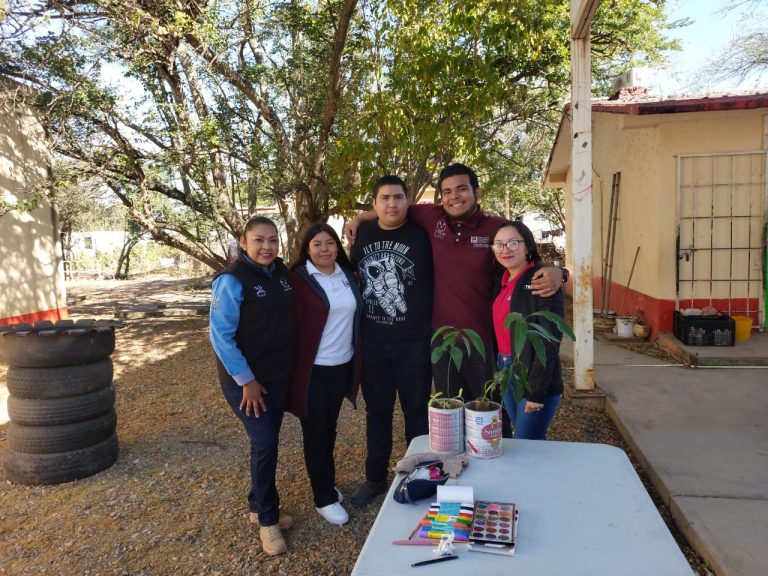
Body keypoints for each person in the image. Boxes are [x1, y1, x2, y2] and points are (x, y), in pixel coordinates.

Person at [346, 164, 566, 435]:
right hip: (444, 342)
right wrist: (358, 219)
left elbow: (524, 255)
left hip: (485, 342)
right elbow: (391, 208)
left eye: (462, 189)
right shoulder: (432, 216)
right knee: (453, 416)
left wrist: (558, 272)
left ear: (477, 193)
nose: (454, 196)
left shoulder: (497, 227)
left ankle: (496, 473)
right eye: (447, 191)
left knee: (492, 417)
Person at [209, 216, 295, 556]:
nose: (267, 247)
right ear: (243, 242)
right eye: (259, 240)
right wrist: (247, 381)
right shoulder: (231, 281)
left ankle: (256, 505)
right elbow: (221, 337)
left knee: (267, 442)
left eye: (273, 240)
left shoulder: (282, 273)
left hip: (277, 376)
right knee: (265, 441)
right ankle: (268, 522)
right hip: (245, 383)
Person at [348, 176, 434, 508]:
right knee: (377, 412)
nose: (392, 204)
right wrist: (358, 220)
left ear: (407, 201)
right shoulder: (361, 234)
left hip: (414, 342)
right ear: (374, 203)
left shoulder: (421, 234)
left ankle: (419, 474)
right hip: (374, 344)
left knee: (416, 412)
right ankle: (375, 478)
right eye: (384, 198)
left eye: (398, 197)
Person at [287, 223, 363, 525]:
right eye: (317, 244)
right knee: (315, 434)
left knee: (328, 429)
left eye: (329, 243)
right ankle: (323, 497)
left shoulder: (348, 276)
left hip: (342, 366)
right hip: (313, 371)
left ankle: (326, 482)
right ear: (307, 248)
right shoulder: (297, 280)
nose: (324, 249)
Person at [491, 220, 565, 440]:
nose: (505, 250)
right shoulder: (501, 279)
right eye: (499, 244)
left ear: (527, 246)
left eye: (513, 243)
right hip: (506, 369)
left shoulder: (540, 279)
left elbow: (549, 340)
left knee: (527, 444)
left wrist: (536, 391)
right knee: (525, 441)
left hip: (532, 375)